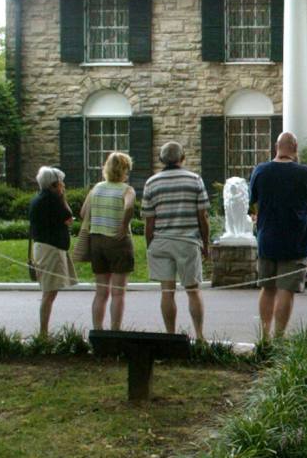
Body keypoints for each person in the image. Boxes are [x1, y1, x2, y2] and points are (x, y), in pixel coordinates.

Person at [250, 132, 307, 339]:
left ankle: (264, 336)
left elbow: (252, 200)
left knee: (267, 287)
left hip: (267, 236)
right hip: (295, 239)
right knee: (285, 290)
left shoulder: (260, 171)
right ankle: (279, 337)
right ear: (295, 147)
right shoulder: (304, 173)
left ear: (276, 146)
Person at [142, 142, 210, 340]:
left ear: (162, 160)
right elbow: (203, 216)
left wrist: (149, 245)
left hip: (161, 241)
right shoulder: (194, 180)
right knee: (193, 291)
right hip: (187, 242)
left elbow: (149, 221)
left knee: (167, 292)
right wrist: (205, 243)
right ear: (183, 158)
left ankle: (170, 336)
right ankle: (199, 336)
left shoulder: (151, 183)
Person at [81, 152, 135, 331]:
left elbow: (83, 213)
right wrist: (123, 225)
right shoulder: (126, 189)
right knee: (118, 292)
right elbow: (129, 206)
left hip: (97, 241)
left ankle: (97, 330)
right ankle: (115, 330)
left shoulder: (96, 188)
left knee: (101, 291)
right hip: (118, 242)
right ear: (124, 169)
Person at [29, 166, 76, 337]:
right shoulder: (53, 199)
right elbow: (69, 217)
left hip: (43, 248)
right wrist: (62, 197)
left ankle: (44, 332)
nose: (63, 186)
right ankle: (43, 333)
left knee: (49, 292)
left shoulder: (38, 199)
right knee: (49, 293)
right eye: (61, 183)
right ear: (54, 185)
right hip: (51, 249)